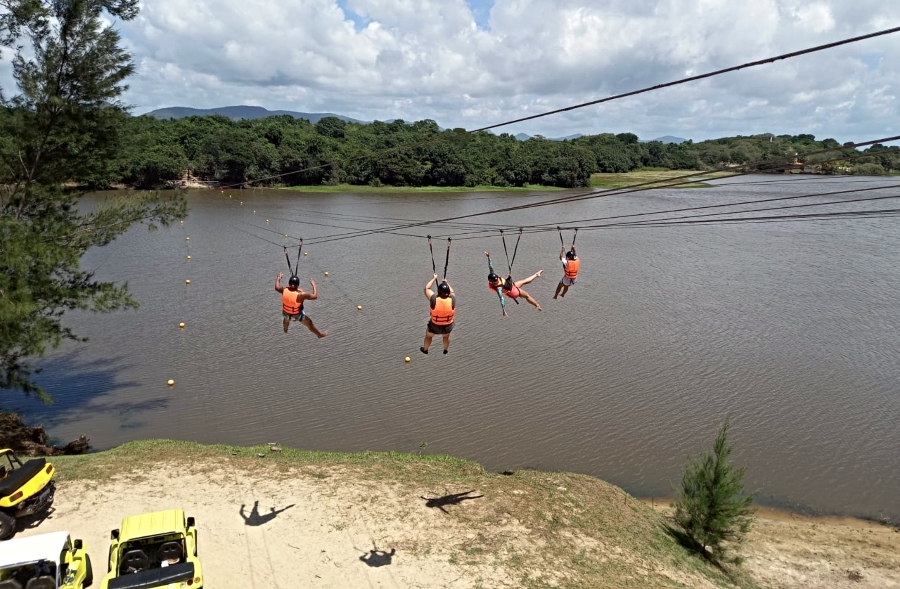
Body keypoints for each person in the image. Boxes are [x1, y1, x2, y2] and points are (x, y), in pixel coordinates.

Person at [275, 273, 328, 337]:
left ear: (289, 284)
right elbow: (315, 296)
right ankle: (319, 335)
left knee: (286, 320)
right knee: (310, 323)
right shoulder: (301, 295)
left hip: (286, 313)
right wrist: (314, 285)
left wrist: (278, 278)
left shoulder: (283, 290)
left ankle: (285, 330)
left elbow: (277, 287)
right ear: (298, 285)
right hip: (297, 315)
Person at [421, 274, 455, 355]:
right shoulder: (453, 299)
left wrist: (434, 278)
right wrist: (446, 283)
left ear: (438, 292)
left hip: (434, 325)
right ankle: (445, 350)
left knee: (429, 335)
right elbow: (452, 292)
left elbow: (427, 288)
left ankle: (425, 349)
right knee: (446, 336)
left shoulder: (434, 299)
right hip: (447, 325)